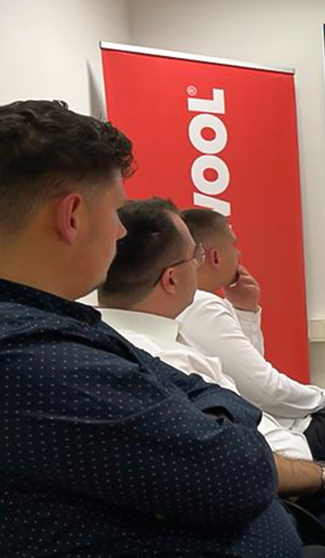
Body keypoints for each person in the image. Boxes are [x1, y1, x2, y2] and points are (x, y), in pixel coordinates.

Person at [0, 100, 302, 556]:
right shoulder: (41, 360)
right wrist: (214, 418)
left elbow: (213, 401)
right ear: (72, 217)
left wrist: (213, 416)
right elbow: (239, 471)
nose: (121, 233)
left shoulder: (62, 324)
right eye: (116, 212)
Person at [96, 198, 325, 554]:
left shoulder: (124, 338)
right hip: (280, 501)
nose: (201, 265)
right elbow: (244, 440)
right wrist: (324, 473)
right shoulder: (157, 360)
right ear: (171, 279)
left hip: (283, 481)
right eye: (194, 257)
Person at [178, 208, 325, 495]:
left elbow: (248, 376)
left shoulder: (193, 309)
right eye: (234, 245)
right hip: (298, 448)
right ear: (215, 256)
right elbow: (266, 390)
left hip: (284, 441)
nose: (239, 254)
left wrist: (245, 312)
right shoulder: (203, 306)